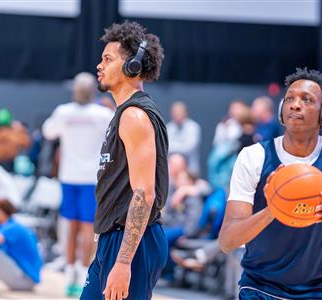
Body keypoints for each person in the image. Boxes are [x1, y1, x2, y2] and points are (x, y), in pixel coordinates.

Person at [220, 68, 322, 299]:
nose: (295, 105)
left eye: (306, 99)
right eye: (289, 98)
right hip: (258, 288)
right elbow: (227, 241)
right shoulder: (254, 156)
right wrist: (272, 209)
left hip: (313, 290)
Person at [81, 21, 168, 300]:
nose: (99, 65)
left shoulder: (135, 116)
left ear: (133, 65)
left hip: (131, 244)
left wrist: (123, 262)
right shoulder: (124, 114)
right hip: (114, 239)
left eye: (108, 59)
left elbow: (144, 193)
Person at [42, 72, 114, 297]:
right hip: (90, 179)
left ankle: (73, 272)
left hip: (70, 178)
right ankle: (82, 273)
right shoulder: (102, 114)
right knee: (86, 227)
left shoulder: (64, 112)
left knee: (71, 226)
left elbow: (48, 131)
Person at [167, 101, 202, 174]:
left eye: (179, 112)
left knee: (177, 159)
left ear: (186, 113)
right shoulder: (168, 127)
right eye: (174, 112)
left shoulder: (194, 127)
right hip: (171, 171)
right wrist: (180, 145)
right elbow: (165, 147)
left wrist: (173, 146)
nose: (176, 114)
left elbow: (188, 148)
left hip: (190, 171)